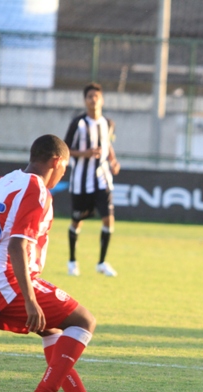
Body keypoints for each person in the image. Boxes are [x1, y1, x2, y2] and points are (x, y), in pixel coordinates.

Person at [0, 134, 125, 392]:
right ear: (57, 162)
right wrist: (31, 299)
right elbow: (17, 245)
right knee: (84, 321)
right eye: (65, 167)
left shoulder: (5, 182)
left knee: (53, 328)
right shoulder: (37, 191)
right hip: (3, 284)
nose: (64, 173)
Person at [64, 82, 121, 277]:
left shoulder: (108, 123)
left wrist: (113, 161)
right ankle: (72, 261)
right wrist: (85, 153)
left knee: (108, 220)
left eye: (97, 96)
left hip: (103, 180)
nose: (93, 100)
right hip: (81, 181)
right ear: (85, 100)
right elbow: (65, 150)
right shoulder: (78, 124)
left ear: (102, 99)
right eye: (90, 97)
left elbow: (108, 145)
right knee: (77, 222)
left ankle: (102, 263)